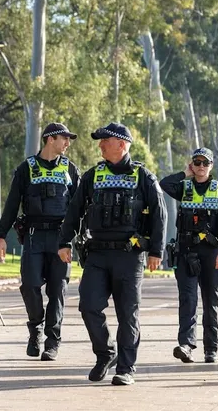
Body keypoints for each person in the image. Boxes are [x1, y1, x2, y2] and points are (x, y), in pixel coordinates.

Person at [58, 122, 167, 386]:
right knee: (88, 306)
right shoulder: (92, 175)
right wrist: (64, 241)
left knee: (127, 313)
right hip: (97, 255)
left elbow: (159, 215)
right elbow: (74, 211)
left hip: (130, 256)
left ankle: (126, 368)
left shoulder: (144, 177)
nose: (100, 145)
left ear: (122, 144)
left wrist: (156, 251)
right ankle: (106, 353)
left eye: (104, 140)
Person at [0, 122, 80, 361]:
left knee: (58, 291)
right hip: (33, 237)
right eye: (65, 138)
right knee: (30, 286)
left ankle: (52, 342)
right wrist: (1, 236)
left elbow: (80, 207)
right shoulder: (26, 169)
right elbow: (12, 204)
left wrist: (79, 238)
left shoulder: (70, 169)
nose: (68, 143)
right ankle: (36, 330)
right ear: (50, 139)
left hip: (61, 239)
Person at [159, 147, 218, 364]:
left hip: (211, 253)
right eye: (197, 162)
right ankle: (186, 345)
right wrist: (185, 174)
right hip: (186, 251)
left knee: (211, 301)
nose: (200, 167)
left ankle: (211, 348)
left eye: (205, 163)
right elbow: (164, 184)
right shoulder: (184, 187)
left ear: (211, 166)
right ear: (192, 164)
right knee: (188, 300)